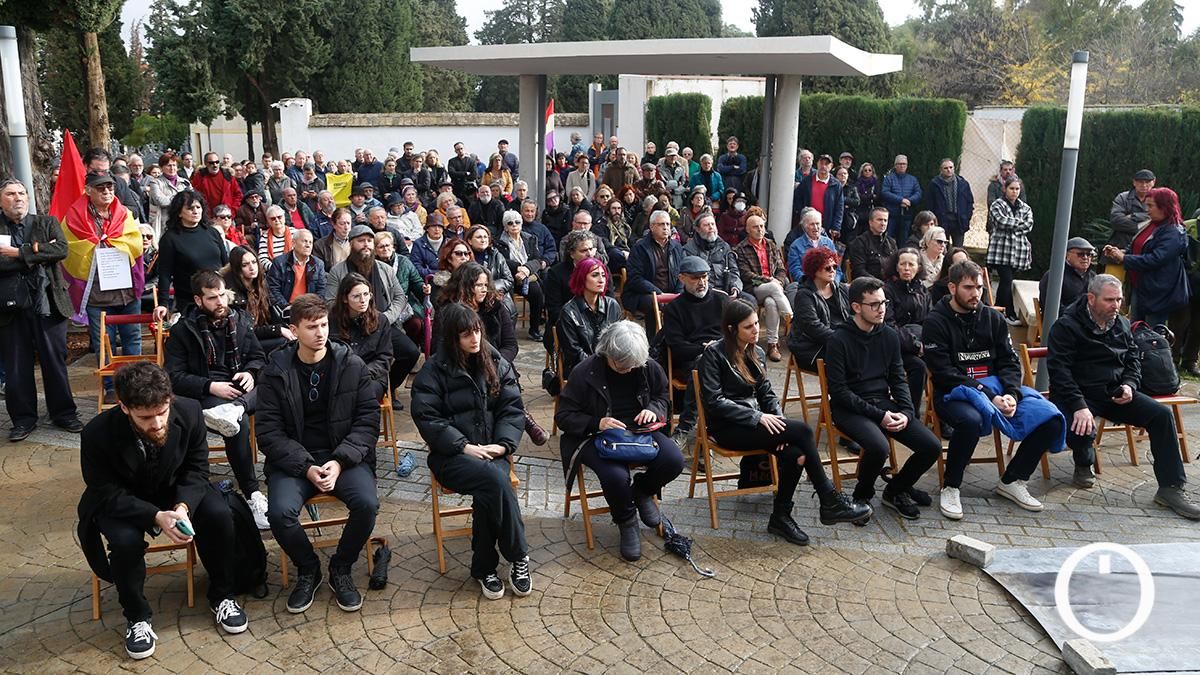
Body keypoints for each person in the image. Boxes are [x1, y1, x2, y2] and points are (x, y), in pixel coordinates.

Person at [78, 362, 248, 659]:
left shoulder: (190, 411)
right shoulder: (96, 433)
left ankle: (223, 595)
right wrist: (155, 516)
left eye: (162, 412)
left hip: (173, 489)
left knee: (219, 514)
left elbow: (197, 470)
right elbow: (105, 492)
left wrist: (182, 507)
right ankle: (137, 617)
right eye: (146, 417)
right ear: (124, 407)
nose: (157, 423)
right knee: (125, 542)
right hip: (123, 499)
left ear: (170, 400)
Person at [699, 300, 872, 545]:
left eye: (756, 323)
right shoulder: (714, 355)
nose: (756, 330)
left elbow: (767, 395)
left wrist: (780, 426)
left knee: (796, 455)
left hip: (758, 424)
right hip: (727, 428)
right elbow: (714, 402)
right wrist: (759, 417)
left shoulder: (756, 352)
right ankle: (828, 498)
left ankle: (781, 517)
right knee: (802, 430)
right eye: (749, 327)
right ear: (731, 329)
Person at [257, 294, 380, 613]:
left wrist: (339, 461)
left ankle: (341, 566)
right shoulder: (275, 371)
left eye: (324, 325)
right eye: (312, 327)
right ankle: (308, 567)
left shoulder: (350, 364)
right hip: (294, 462)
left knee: (367, 504)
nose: (320, 333)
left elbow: (368, 422)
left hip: (344, 457)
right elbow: (268, 433)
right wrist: (307, 467)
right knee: (279, 514)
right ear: (294, 330)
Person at [1046, 274, 1200, 519]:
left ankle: (1171, 488)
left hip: (1114, 393)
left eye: (1119, 300)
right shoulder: (1066, 326)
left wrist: (1129, 385)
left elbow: (1133, 359)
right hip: (1078, 393)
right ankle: (1084, 461)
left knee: (1161, 415)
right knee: (1079, 424)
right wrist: (1078, 404)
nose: (1116, 305)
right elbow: (1059, 371)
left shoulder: (1122, 324)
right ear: (1091, 299)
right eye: (1109, 300)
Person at [923, 260, 1064, 520]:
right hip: (954, 393)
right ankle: (951, 486)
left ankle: (1013, 480)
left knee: (1052, 418)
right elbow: (943, 372)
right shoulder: (935, 321)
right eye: (968, 288)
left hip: (999, 389)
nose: (975, 293)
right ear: (952, 288)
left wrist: (1012, 393)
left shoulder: (993, 318)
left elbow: (1010, 361)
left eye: (979, 287)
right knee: (971, 420)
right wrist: (989, 397)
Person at [411, 303, 532, 598]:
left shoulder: (495, 361)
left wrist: (502, 445)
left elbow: (512, 409)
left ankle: (484, 568)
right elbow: (428, 418)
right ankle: (519, 556)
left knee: (491, 487)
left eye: (477, 331)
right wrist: (464, 447)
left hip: (492, 450)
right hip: (451, 456)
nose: (475, 339)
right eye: (466, 334)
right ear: (453, 338)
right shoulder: (433, 371)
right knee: (495, 481)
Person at [556, 320, 684, 561]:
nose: (627, 369)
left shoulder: (647, 366)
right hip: (597, 436)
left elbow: (662, 396)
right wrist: (598, 422)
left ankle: (642, 491)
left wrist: (652, 410)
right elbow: (563, 416)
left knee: (674, 460)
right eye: (621, 365)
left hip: (640, 431)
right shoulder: (585, 372)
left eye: (632, 365)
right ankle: (626, 521)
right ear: (607, 353)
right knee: (615, 476)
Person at [826, 277, 941, 519]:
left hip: (882, 403)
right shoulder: (838, 340)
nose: (882, 309)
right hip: (849, 409)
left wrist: (907, 413)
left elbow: (898, 379)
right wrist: (880, 416)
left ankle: (896, 489)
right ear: (856, 307)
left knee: (931, 446)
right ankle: (861, 496)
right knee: (879, 447)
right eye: (875, 304)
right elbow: (840, 392)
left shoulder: (888, 335)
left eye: (884, 303)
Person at [163, 270, 269, 528]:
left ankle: (237, 409)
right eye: (212, 298)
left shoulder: (240, 319)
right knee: (237, 427)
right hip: (206, 393)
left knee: (276, 386)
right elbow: (173, 377)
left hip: (240, 388)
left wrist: (250, 372)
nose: (220, 302)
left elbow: (258, 356)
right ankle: (253, 494)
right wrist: (211, 386)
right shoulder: (183, 330)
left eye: (222, 295)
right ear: (198, 300)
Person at [0, 178, 82, 440]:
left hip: (49, 304)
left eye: (21, 193)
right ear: (1, 200)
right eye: (10, 194)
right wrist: (36, 256)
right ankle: (23, 420)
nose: (17, 198)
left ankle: (64, 414)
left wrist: (18, 253)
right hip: (10, 309)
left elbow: (60, 250)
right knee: (17, 367)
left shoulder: (46, 223)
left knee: (54, 362)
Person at [62, 172, 146, 402]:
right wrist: (95, 246)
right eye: (101, 188)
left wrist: (114, 242)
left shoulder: (124, 213)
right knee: (103, 344)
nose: (107, 191)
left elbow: (135, 242)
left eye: (110, 187)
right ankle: (110, 387)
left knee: (133, 339)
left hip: (127, 291)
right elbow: (69, 248)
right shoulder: (74, 216)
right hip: (97, 294)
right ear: (88, 190)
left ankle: (135, 385)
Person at [325, 225, 421, 407]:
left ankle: (389, 386)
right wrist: (352, 312)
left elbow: (400, 297)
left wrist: (386, 318)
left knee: (411, 353)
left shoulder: (385, 269)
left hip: (382, 325)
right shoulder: (337, 271)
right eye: (361, 241)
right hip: (349, 326)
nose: (366, 245)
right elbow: (330, 302)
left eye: (369, 241)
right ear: (351, 244)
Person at [660, 256, 729, 444]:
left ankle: (688, 427)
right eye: (695, 278)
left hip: (725, 356)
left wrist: (718, 346)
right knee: (703, 365)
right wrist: (703, 349)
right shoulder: (674, 308)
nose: (702, 282)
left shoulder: (722, 300)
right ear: (681, 278)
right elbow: (677, 346)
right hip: (694, 359)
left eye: (705, 276)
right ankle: (701, 431)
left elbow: (735, 331)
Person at [1102, 186, 1190, 326]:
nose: (1147, 210)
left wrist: (1124, 258)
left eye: (1150, 206)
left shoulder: (1174, 232)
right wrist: (1120, 252)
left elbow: (1156, 259)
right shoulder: (1150, 224)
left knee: (1151, 333)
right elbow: (1137, 247)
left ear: (1164, 207)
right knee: (1135, 328)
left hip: (1158, 293)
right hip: (1140, 287)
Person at [155, 190, 229, 317]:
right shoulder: (170, 238)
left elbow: (226, 265)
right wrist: (163, 303)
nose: (195, 211)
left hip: (219, 297)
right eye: (190, 208)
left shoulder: (212, 232)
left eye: (198, 207)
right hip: (189, 301)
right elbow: (165, 274)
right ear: (179, 212)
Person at [734, 213, 791, 362]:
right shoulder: (741, 249)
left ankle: (772, 344)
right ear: (747, 230)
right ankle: (791, 318)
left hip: (774, 288)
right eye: (755, 227)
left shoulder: (771, 245)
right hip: (754, 288)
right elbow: (746, 274)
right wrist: (769, 280)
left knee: (771, 303)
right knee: (773, 288)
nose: (760, 229)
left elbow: (781, 268)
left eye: (761, 226)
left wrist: (778, 281)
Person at [328, 272, 394, 402]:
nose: (363, 300)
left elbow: (385, 358)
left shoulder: (381, 320)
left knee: (362, 395)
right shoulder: (331, 320)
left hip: (371, 376)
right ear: (345, 298)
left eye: (366, 294)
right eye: (356, 296)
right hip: (340, 375)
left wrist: (362, 373)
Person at [883, 247, 932, 412]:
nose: (906, 268)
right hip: (896, 346)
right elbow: (888, 324)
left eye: (911, 264)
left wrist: (927, 344)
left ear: (918, 267)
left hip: (921, 344)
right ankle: (911, 412)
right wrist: (915, 345)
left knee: (944, 362)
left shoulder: (923, 291)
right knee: (918, 367)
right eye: (902, 264)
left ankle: (942, 416)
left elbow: (931, 322)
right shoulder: (887, 290)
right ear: (896, 266)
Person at [556, 256, 622, 377]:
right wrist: (602, 367)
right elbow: (574, 353)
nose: (601, 280)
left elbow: (619, 342)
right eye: (595, 275)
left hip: (611, 367)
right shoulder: (569, 312)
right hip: (580, 370)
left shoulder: (612, 305)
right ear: (582, 278)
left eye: (603, 275)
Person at [789, 246, 850, 371]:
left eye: (835, 267)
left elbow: (853, 315)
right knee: (850, 360)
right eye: (827, 268)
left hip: (839, 341)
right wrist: (841, 339)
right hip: (812, 347)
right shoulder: (804, 295)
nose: (832, 271)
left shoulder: (841, 289)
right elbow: (813, 327)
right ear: (814, 270)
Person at [624, 210, 684, 337]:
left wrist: (678, 293)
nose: (666, 228)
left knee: (688, 299)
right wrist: (658, 293)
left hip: (672, 291)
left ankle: (677, 339)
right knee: (652, 302)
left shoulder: (677, 247)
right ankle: (652, 340)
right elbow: (635, 278)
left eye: (668, 224)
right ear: (651, 227)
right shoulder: (640, 247)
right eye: (661, 224)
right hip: (644, 293)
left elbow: (682, 273)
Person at [223, 246, 293, 354]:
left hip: (263, 332)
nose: (252, 267)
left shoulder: (261, 283)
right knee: (284, 342)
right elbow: (247, 330)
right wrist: (277, 330)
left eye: (254, 262)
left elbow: (273, 308)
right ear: (237, 268)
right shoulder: (232, 295)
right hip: (247, 342)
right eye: (245, 265)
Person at [985, 176, 1033, 323]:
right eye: (1011, 188)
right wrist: (1019, 223)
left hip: (1017, 252)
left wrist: (1012, 224)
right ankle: (1008, 313)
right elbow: (1000, 221)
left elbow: (1029, 225)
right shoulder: (997, 205)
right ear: (1004, 189)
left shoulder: (1025, 207)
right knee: (1006, 280)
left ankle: (999, 312)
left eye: (1017, 189)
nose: (1014, 191)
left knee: (1007, 282)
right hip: (1001, 251)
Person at [496, 210, 548, 341]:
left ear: (521, 224)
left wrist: (526, 269)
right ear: (505, 227)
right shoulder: (499, 242)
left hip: (527, 276)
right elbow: (501, 261)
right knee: (507, 300)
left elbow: (537, 259)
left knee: (537, 294)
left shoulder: (530, 238)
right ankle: (508, 333)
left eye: (517, 222)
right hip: (509, 277)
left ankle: (534, 329)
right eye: (510, 223)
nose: (514, 225)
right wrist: (517, 267)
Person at [683, 211, 748, 301]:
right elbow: (690, 277)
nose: (711, 227)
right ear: (697, 229)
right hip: (703, 293)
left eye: (713, 224)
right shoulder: (689, 250)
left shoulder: (724, 246)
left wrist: (735, 288)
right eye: (706, 225)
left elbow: (734, 270)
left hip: (727, 289)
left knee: (750, 300)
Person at [266, 228, 326, 314]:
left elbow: (321, 290)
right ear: (293, 243)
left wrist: (312, 307)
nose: (308, 245)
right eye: (305, 241)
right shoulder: (279, 263)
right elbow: (273, 289)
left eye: (310, 242)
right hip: (286, 309)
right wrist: (286, 307)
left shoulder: (318, 264)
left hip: (310, 309)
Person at [1106, 168, 1155, 267]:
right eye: (1140, 182)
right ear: (1134, 182)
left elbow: (1161, 218)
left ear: (1153, 182)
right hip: (1120, 246)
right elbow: (1116, 220)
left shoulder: (1158, 199)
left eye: (1147, 182)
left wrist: (1133, 216)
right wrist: (1144, 227)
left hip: (1145, 251)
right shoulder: (1122, 197)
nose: (1144, 185)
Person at [465, 224, 516, 315]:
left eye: (485, 237)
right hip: (470, 300)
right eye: (479, 237)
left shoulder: (496, 255)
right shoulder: (464, 256)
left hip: (495, 298)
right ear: (469, 240)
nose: (483, 240)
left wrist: (489, 288)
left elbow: (508, 280)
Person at [925, 158, 974, 248]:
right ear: (941, 170)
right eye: (946, 168)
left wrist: (967, 217)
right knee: (942, 248)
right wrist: (934, 220)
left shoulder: (963, 183)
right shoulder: (934, 184)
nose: (949, 170)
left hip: (959, 221)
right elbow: (930, 204)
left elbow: (969, 202)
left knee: (958, 249)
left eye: (951, 167)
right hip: (942, 221)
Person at [1039, 237, 1097, 312]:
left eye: (1089, 254)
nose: (1085, 257)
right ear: (1067, 255)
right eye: (1080, 254)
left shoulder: (1094, 277)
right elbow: (1051, 308)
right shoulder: (1054, 276)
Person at [787, 207, 842, 283]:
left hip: (830, 284)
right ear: (805, 226)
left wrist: (835, 283)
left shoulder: (829, 243)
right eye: (812, 224)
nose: (816, 227)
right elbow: (795, 271)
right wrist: (812, 283)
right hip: (807, 285)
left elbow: (838, 270)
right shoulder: (796, 246)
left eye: (817, 224)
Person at [794, 154, 844, 237]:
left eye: (826, 164)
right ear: (817, 164)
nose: (823, 166)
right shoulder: (807, 181)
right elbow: (797, 198)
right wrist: (802, 214)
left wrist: (836, 226)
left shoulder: (836, 185)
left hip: (827, 226)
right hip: (807, 225)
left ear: (831, 166)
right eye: (821, 163)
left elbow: (839, 207)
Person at [146, 151, 191, 238]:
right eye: (169, 165)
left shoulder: (185, 183)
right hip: (164, 224)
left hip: (184, 221)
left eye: (174, 165)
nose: (172, 168)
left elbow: (191, 200)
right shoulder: (155, 183)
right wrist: (180, 197)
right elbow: (161, 201)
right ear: (161, 167)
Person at [845, 206, 897, 280]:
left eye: (885, 220)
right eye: (879, 220)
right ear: (870, 222)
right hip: (867, 283)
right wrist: (878, 283)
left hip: (889, 283)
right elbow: (859, 271)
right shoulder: (859, 242)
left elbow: (897, 266)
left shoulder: (892, 242)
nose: (883, 223)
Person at [881, 154, 922, 243]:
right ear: (895, 165)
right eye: (899, 164)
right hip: (892, 214)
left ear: (907, 166)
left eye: (904, 164)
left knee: (904, 240)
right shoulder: (889, 178)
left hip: (907, 215)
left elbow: (918, 193)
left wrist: (909, 201)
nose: (902, 166)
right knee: (888, 239)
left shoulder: (912, 179)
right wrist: (901, 200)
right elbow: (885, 192)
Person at [191, 152, 242, 217]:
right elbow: (194, 196)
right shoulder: (199, 177)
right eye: (211, 163)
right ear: (206, 163)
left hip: (226, 216)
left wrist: (232, 211)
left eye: (217, 162)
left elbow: (238, 195)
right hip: (207, 216)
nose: (215, 165)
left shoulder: (227, 175)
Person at [313, 206, 352, 272]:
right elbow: (320, 271)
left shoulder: (356, 241)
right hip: (331, 277)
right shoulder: (320, 245)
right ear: (334, 224)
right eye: (342, 224)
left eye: (348, 223)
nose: (346, 227)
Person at [256, 206, 294, 271]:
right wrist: (275, 269)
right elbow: (262, 258)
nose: (277, 220)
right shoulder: (264, 238)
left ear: (284, 218)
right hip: (274, 271)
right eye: (273, 218)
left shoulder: (295, 233)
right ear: (268, 221)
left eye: (279, 217)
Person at [854, 162, 883, 227]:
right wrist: (870, 196)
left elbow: (877, 196)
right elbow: (858, 196)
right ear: (862, 172)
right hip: (860, 210)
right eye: (865, 170)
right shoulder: (858, 183)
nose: (867, 172)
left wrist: (869, 196)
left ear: (872, 172)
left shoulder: (876, 183)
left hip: (872, 209)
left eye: (870, 170)